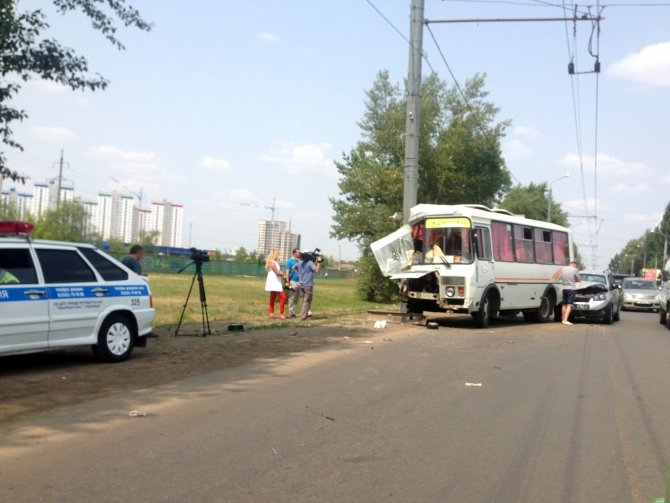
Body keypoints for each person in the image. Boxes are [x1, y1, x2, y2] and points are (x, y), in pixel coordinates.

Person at [298, 251, 322, 321]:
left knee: (302, 300)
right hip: (308, 285)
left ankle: (303, 314)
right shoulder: (310, 263)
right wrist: (319, 262)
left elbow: (294, 267)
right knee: (307, 301)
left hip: (301, 284)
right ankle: (303, 316)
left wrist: (300, 273)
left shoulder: (300, 262)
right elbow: (317, 270)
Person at [265, 249, 286, 319]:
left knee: (272, 298)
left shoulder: (272, 262)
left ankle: (271, 313)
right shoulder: (272, 262)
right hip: (275, 282)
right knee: (283, 297)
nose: (278, 256)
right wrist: (283, 274)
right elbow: (277, 273)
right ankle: (281, 313)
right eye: (278, 254)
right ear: (275, 254)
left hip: (274, 282)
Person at [560, 260, 581, 325]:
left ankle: (563, 319)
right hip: (571, 289)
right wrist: (574, 279)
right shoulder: (575, 269)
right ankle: (565, 320)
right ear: (575, 264)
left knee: (564, 304)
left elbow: (561, 277)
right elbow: (579, 280)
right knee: (569, 304)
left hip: (564, 288)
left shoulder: (563, 269)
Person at [284, 248, 301, 318]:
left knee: (303, 297)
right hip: (293, 282)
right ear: (294, 253)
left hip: (301, 282)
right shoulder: (290, 261)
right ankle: (292, 313)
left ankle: (304, 312)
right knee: (292, 298)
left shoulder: (300, 261)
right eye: (298, 252)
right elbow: (287, 272)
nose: (300, 253)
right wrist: (287, 282)